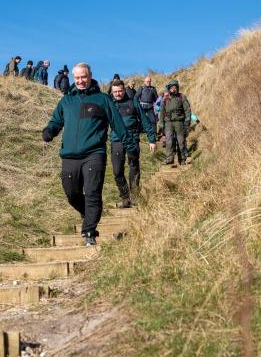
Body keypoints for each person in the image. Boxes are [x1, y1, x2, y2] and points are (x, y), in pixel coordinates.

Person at [42, 63, 138, 246]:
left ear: (90, 75)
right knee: (71, 193)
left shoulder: (102, 99)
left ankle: (89, 233)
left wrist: (130, 146)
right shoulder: (66, 101)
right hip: (69, 155)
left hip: (94, 153)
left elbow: (118, 124)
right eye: (77, 77)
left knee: (92, 192)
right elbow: (56, 121)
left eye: (83, 77)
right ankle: (90, 213)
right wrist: (49, 131)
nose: (80, 81)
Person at [110, 80, 156, 208]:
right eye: (115, 92)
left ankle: (135, 196)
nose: (118, 94)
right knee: (117, 170)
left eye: (120, 91)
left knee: (134, 167)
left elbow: (145, 120)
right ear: (112, 92)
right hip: (116, 139)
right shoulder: (110, 103)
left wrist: (152, 139)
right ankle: (125, 197)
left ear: (124, 90)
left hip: (132, 138)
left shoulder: (133, 101)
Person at [158, 79, 191, 165]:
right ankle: (170, 159)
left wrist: (188, 119)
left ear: (177, 88)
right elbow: (161, 112)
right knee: (169, 141)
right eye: (172, 87)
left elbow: (187, 109)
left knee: (181, 141)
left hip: (179, 122)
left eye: (175, 87)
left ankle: (182, 158)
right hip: (168, 123)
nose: (173, 89)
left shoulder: (182, 97)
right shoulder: (165, 99)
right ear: (169, 88)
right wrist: (161, 123)